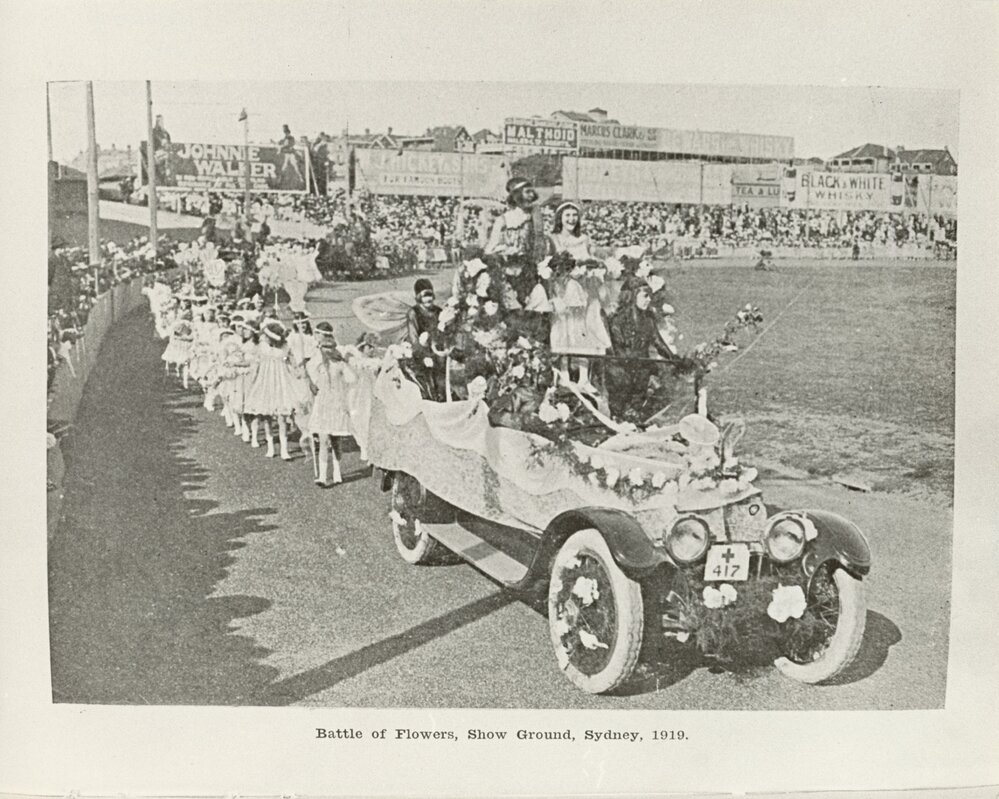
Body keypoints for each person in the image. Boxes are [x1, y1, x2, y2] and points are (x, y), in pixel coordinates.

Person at [605, 279, 680, 419]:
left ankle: (635, 416)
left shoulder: (648, 319)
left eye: (650, 296)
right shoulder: (617, 320)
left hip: (641, 369)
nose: (649, 300)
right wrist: (628, 358)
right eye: (645, 296)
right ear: (632, 296)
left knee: (640, 395)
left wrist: (673, 358)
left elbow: (658, 342)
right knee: (622, 392)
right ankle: (619, 416)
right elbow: (617, 347)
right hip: (622, 370)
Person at [305, 322, 357, 487]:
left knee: (336, 441)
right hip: (322, 404)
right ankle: (322, 476)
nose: (327, 351)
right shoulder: (318, 364)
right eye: (324, 348)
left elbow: (352, 379)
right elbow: (310, 373)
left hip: (337, 404)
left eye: (330, 348)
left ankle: (337, 471)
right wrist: (312, 383)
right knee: (323, 439)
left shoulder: (339, 364)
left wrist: (345, 364)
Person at [244, 319, 300, 460]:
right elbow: (256, 365)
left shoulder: (285, 348)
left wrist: (297, 372)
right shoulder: (262, 348)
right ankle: (270, 447)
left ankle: (284, 449)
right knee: (267, 416)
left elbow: (292, 363)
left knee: (282, 417)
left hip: (282, 383)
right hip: (266, 383)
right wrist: (253, 381)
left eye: (267, 336)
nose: (264, 337)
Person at [405, 278, 446, 400]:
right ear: (419, 297)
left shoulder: (438, 311)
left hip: (438, 349)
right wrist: (423, 356)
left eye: (430, 295)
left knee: (442, 375)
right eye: (424, 296)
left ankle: (442, 397)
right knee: (427, 378)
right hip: (421, 351)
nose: (428, 299)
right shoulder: (414, 313)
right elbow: (414, 338)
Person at [485, 177, 539, 259]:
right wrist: (504, 250)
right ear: (517, 195)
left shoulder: (535, 217)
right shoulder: (503, 220)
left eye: (532, 192)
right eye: (527, 192)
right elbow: (490, 249)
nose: (532, 195)